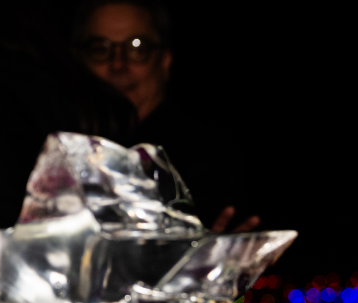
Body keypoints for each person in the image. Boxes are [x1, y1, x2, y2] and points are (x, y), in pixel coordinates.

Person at [72, 0, 257, 232]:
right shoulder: (51, 151)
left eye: (137, 48)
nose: (117, 64)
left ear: (165, 60)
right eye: (100, 48)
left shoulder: (210, 157)